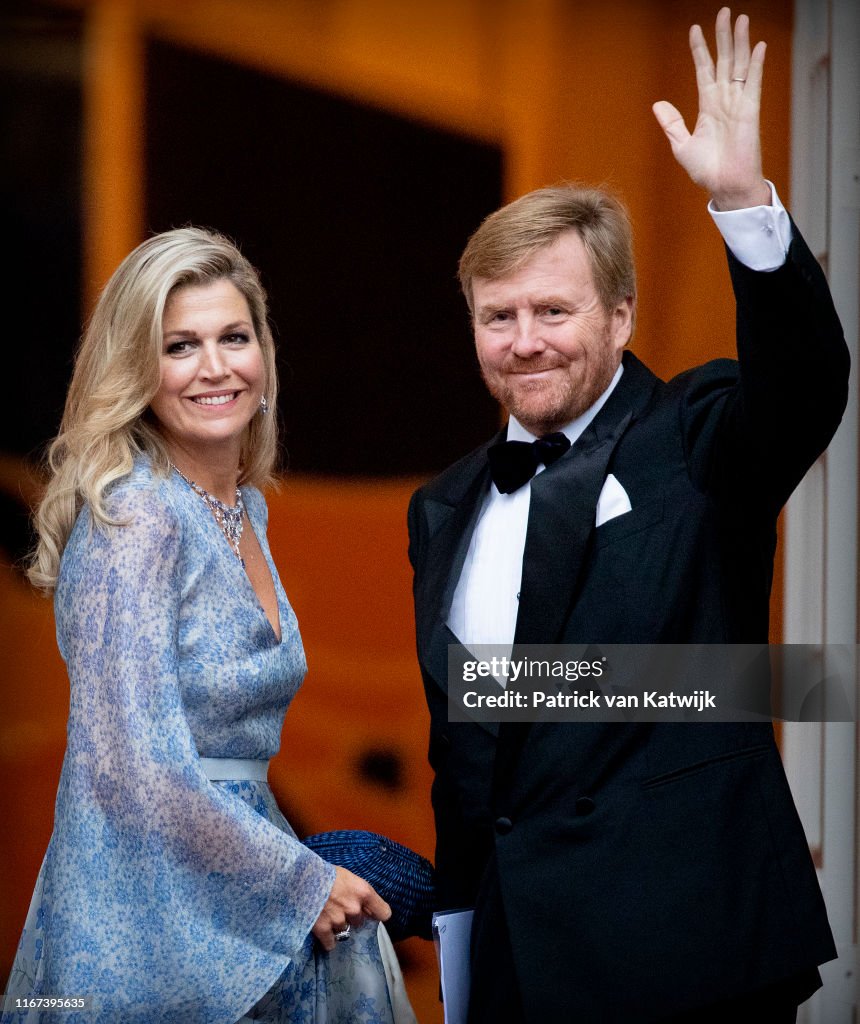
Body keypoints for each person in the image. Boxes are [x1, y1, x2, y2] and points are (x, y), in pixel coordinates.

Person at [407, 8, 848, 1023]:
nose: (523, 341)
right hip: (521, 967)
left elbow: (804, 386)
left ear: (619, 317)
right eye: (497, 315)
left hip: (690, 957)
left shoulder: (692, 432)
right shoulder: (440, 506)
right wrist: (464, 955)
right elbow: (466, 758)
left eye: (552, 311)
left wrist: (742, 203)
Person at [2, 228, 417, 1023]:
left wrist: (296, 872)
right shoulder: (136, 516)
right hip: (143, 922)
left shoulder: (242, 509)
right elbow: (131, 769)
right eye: (180, 346)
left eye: (234, 337)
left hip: (243, 896)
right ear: (137, 371)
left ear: (264, 354)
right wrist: (301, 882)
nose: (216, 366)